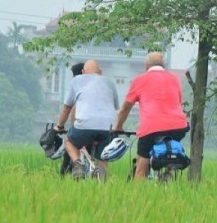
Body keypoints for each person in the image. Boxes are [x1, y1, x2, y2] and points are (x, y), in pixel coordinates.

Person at [113, 51, 189, 181]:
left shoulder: (139, 80)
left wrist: (118, 127)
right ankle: (169, 172)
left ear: (146, 66)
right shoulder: (175, 79)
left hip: (151, 127)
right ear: (164, 66)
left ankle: (138, 195)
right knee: (171, 149)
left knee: (142, 164)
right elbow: (178, 102)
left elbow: (125, 108)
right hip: (179, 126)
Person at [54, 59, 119, 179]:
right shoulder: (109, 82)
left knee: (69, 141)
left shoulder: (76, 80)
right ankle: (102, 180)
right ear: (100, 72)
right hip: (108, 127)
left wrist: (60, 126)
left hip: (85, 126)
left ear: (83, 72)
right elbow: (115, 108)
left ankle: (78, 164)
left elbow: (66, 108)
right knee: (103, 157)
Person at [59, 61, 85, 176]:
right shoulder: (97, 83)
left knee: (69, 144)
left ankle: (63, 176)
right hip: (102, 127)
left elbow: (70, 108)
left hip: (82, 127)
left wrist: (60, 126)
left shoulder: (77, 84)